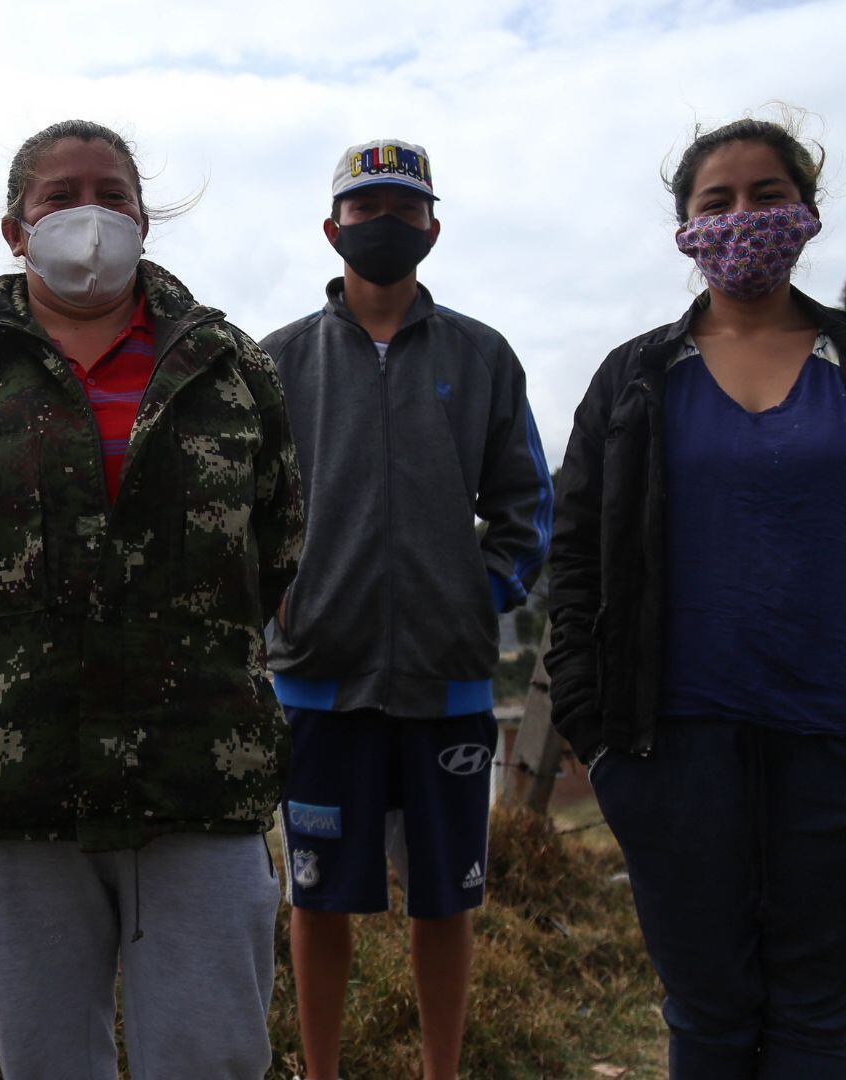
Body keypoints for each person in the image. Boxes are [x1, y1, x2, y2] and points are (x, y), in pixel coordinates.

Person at [544, 116, 846, 1077]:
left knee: (810, 1021)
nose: (743, 217)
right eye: (718, 201)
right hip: (671, 754)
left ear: (808, 215)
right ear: (684, 225)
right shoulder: (634, 379)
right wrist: (597, 734)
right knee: (706, 1021)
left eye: (767, 195)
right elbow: (576, 558)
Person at [0, 119, 306, 1079]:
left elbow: (275, 547)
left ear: (145, 218)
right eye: (60, 196)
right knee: (47, 1061)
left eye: (112, 194)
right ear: (13, 227)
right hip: (18, 776)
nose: (90, 215)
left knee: (211, 1056)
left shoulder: (234, 372)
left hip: (200, 769)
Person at [261, 137, 553, 1080]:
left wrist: (480, 593)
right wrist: (281, 608)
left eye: (403, 208)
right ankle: (321, 1071)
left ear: (433, 225)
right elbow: (247, 513)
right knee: (318, 897)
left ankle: (443, 1071)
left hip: (449, 683)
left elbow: (525, 505)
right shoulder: (279, 364)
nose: (384, 225)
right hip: (317, 683)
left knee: (446, 899)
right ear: (331, 226)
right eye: (365, 208)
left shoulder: (481, 356)